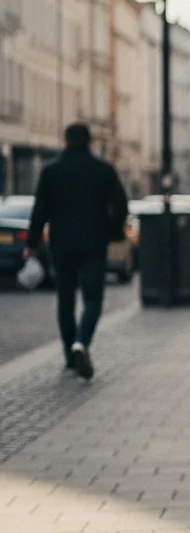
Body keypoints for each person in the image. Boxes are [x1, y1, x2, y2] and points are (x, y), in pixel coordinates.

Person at [24, 122, 128, 380]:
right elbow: (121, 204)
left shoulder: (51, 171)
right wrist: (113, 231)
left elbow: (40, 210)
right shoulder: (103, 170)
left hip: (61, 244)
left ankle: (70, 354)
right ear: (90, 141)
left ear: (65, 141)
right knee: (93, 297)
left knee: (66, 297)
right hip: (94, 243)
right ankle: (82, 341)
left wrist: (32, 244)